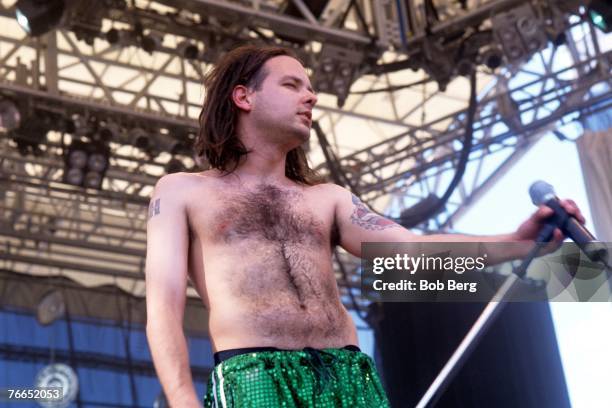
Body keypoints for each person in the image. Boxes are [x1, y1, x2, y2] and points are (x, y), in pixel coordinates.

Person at [144, 45, 585, 407]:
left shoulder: (327, 198)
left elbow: (410, 253)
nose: (310, 97)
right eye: (292, 84)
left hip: (348, 376)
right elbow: (163, 308)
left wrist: (515, 241)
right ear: (244, 97)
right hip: (255, 376)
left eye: (312, 88)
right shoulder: (183, 191)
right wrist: (183, 401)